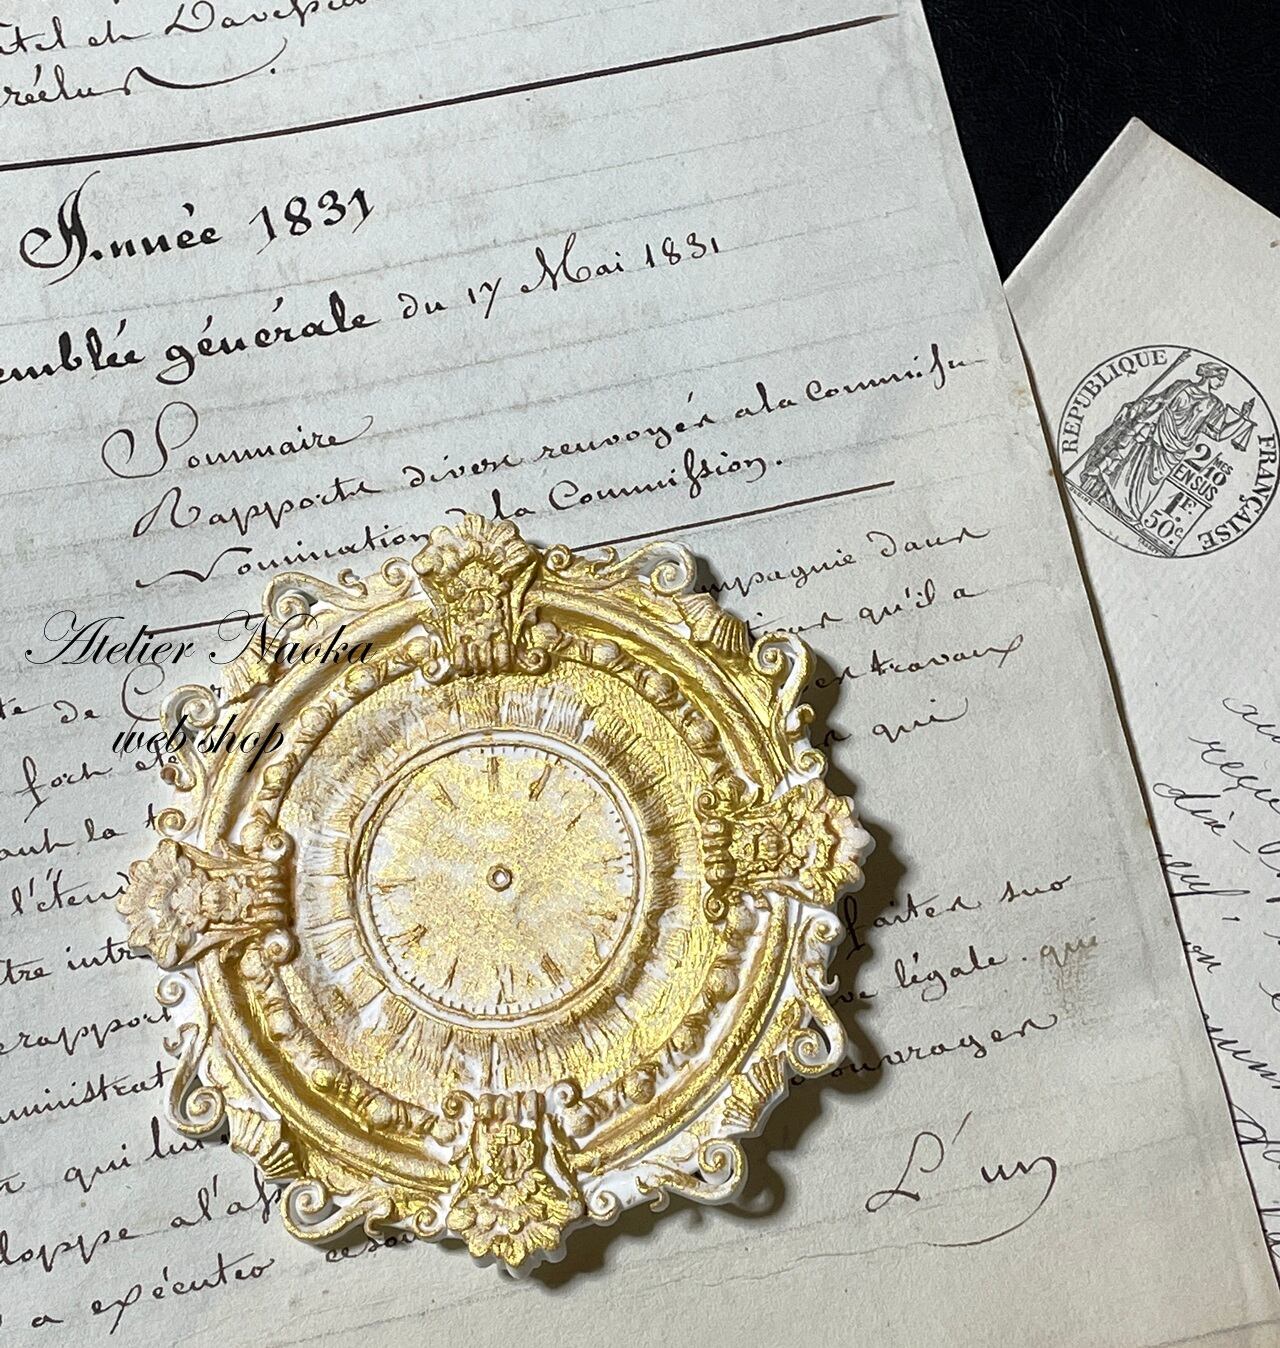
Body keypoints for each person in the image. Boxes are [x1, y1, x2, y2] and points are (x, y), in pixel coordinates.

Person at [1074, 362, 1251, 524]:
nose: (1221, 383)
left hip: (1172, 452)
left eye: (1223, 380)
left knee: (1146, 486)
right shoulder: (1182, 386)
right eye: (1220, 378)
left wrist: (1242, 419)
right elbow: (1157, 401)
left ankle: (1129, 514)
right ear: (1209, 375)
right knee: (1124, 468)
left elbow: (1217, 434)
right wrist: (1132, 407)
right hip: (1152, 436)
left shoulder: (1215, 405)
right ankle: (1102, 496)